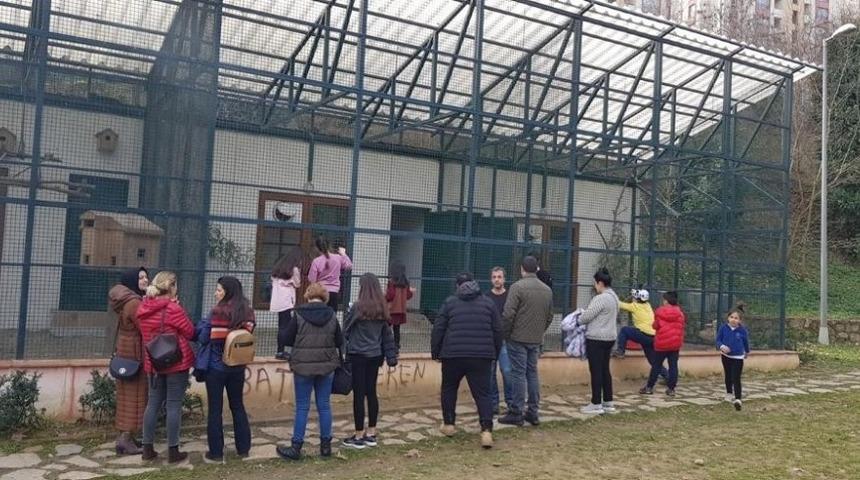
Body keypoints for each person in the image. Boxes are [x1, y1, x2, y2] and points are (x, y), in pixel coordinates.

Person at [431, 273, 502, 449]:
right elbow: (498, 330)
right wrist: (495, 353)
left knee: (449, 388)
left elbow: (438, 328)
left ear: (457, 286)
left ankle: (448, 425)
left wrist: (436, 352)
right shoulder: (488, 303)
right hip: (481, 357)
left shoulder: (450, 303)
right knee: (483, 394)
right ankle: (486, 431)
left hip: (453, 355)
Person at [277, 283, 344, 460]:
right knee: (324, 405)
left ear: (307, 295)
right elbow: (339, 340)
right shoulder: (331, 315)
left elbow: (287, 338)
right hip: (326, 366)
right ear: (324, 297)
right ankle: (325, 446)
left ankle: (296, 447)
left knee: (302, 407)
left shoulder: (298, 314)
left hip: (303, 367)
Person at [137, 271, 195, 463]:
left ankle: (147, 448)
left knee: (152, 404)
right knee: (173, 405)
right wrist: (177, 308)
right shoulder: (173, 309)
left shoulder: (143, 308)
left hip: (153, 363)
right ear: (171, 287)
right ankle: (173, 451)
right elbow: (189, 331)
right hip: (176, 362)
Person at [200, 277, 256, 462]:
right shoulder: (248, 312)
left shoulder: (217, 312)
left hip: (216, 367)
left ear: (227, 292)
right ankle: (244, 448)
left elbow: (207, 338)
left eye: (218, 290)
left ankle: (216, 452)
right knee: (238, 405)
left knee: (215, 409)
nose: (216, 293)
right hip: (238, 366)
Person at [342, 273, 399, 449]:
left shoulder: (358, 307)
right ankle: (372, 432)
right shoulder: (382, 308)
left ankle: (359, 435)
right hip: (375, 355)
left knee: (358, 395)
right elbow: (386, 334)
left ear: (362, 288)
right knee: (371, 392)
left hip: (358, 355)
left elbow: (346, 328)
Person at [498, 256, 553, 427]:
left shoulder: (517, 287)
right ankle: (533, 411)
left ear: (522, 269)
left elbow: (508, 314)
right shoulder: (547, 290)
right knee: (532, 373)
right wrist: (539, 331)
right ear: (536, 269)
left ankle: (516, 411)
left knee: (518, 374)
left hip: (517, 338)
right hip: (535, 339)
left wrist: (506, 334)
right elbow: (549, 316)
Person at [108, 267, 149, 455]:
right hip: (135, 353)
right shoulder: (134, 302)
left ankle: (127, 437)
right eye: (140, 277)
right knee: (136, 396)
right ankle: (126, 439)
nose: (145, 280)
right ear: (132, 280)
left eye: (146, 276)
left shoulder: (123, 299)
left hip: (124, 350)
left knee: (126, 396)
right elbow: (144, 326)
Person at [578, 268, 619, 415]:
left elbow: (587, 316)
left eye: (595, 283)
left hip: (596, 338)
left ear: (600, 283)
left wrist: (579, 317)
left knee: (595, 370)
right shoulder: (614, 297)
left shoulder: (600, 298)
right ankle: (608, 402)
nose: (595, 286)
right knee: (605, 370)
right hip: (610, 337)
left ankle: (596, 403)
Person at [613, 289, 668, 381]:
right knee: (653, 360)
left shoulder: (635, 306)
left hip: (643, 334)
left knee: (624, 330)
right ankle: (668, 376)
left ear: (637, 299)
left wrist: (612, 296)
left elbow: (620, 304)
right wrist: (635, 296)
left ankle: (620, 351)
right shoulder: (648, 305)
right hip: (653, 337)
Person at [639, 292, 686, 396]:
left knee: (656, 365)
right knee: (673, 366)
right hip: (675, 344)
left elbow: (655, 326)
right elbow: (681, 326)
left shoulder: (660, 311)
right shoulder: (680, 313)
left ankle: (649, 387)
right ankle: (671, 389)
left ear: (666, 300)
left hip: (662, 344)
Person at [486, 266, 513, 415]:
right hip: (490, 341)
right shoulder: (486, 297)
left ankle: (510, 402)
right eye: (494, 277)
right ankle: (494, 403)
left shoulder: (510, 297)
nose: (497, 279)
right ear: (491, 279)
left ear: (504, 279)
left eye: (499, 277)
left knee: (507, 371)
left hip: (505, 341)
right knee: (490, 374)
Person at [271, 247, 304, 360]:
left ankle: (280, 350)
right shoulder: (294, 270)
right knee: (286, 326)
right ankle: (281, 351)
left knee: (282, 325)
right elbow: (298, 283)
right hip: (287, 300)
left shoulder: (278, 268)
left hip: (277, 300)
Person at [716, 303, 750, 411]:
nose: (733, 320)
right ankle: (729, 393)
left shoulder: (742, 331)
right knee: (728, 375)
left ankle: (738, 399)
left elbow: (746, 342)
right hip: (726, 356)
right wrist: (722, 346)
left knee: (736, 377)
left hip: (738, 357)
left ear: (740, 320)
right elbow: (718, 340)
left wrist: (747, 352)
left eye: (736, 318)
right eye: (731, 317)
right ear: (728, 318)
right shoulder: (723, 328)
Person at [308, 236, 352, 313]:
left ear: (317, 248)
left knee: (320, 315)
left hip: (321, 292)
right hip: (334, 292)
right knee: (332, 316)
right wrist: (343, 254)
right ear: (329, 245)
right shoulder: (338, 258)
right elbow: (349, 265)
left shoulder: (316, 261)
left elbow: (312, 280)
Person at [386, 261, 414, 350]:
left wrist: (383, 296)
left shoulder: (392, 282)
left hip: (392, 309)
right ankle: (396, 346)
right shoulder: (406, 282)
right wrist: (411, 292)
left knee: (386, 327)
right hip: (401, 310)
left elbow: (390, 295)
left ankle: (386, 345)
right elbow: (408, 295)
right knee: (396, 329)